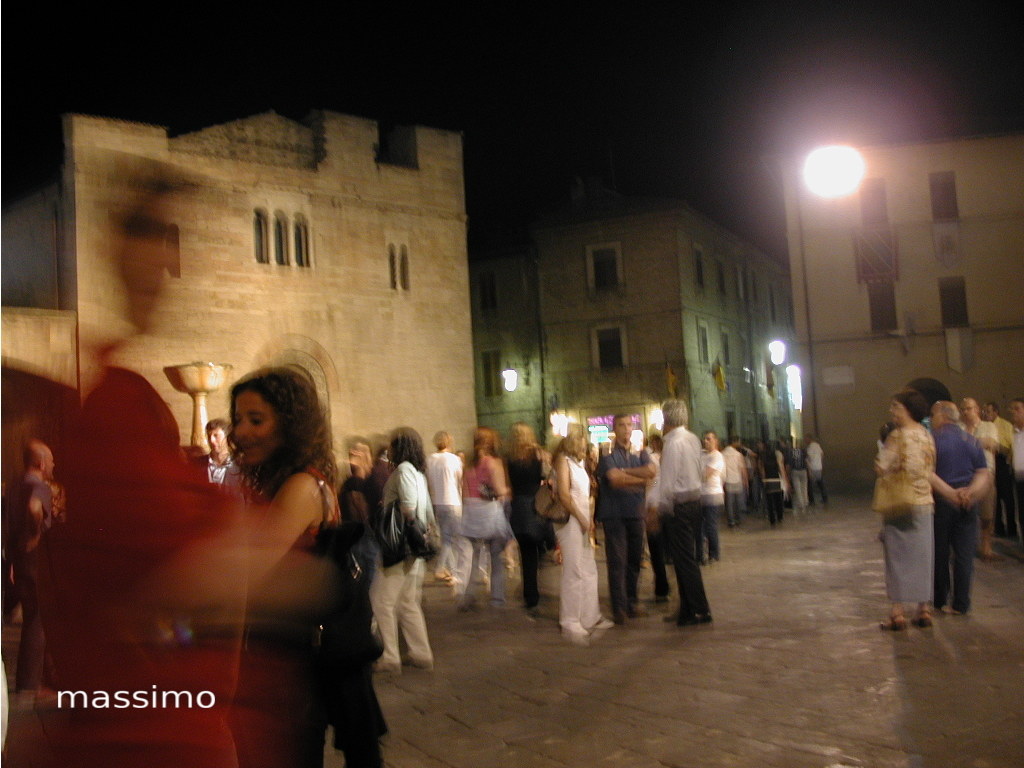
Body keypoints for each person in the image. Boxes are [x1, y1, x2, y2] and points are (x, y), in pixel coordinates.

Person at [230, 367, 385, 768]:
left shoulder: (301, 486)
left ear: (290, 424)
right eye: (238, 419)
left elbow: (246, 575)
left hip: (296, 664)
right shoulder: (280, 483)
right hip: (287, 658)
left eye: (256, 419)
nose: (240, 430)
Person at [370, 427, 435, 675]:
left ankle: (390, 656)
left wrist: (389, 509)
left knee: (382, 600)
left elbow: (409, 507)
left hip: (400, 546)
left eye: (392, 445)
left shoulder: (404, 470)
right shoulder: (418, 473)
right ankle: (421, 653)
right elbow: (427, 510)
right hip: (415, 545)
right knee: (408, 601)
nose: (389, 449)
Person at [874, 389, 936, 630]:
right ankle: (924, 609)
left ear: (908, 409)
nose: (892, 411)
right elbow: (931, 467)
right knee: (923, 556)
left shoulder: (897, 436)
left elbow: (881, 467)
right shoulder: (927, 436)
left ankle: (898, 612)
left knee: (897, 558)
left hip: (900, 503)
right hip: (924, 502)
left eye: (896, 407)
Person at [552, 427, 613, 644]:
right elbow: (564, 495)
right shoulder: (563, 461)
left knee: (589, 568)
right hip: (570, 521)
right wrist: (581, 517)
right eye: (582, 442)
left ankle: (590, 615)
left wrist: (588, 520)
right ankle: (570, 621)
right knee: (573, 571)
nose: (585, 446)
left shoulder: (579, 464)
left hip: (583, 521)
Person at [655, 400, 712, 626]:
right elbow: (698, 471)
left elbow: (667, 482)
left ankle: (699, 609)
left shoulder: (672, 443)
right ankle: (688, 610)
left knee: (684, 561)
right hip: (695, 503)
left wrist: (660, 509)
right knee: (686, 559)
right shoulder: (692, 439)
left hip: (679, 508)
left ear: (667, 418)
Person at [930, 401, 989, 616]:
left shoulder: (932, 441)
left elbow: (927, 472)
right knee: (964, 555)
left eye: (933, 414)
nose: (931, 419)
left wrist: (951, 494)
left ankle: (939, 599)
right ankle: (961, 603)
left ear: (942, 415)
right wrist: (970, 493)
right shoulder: (972, 441)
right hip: (968, 502)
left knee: (940, 552)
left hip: (942, 501)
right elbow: (983, 473)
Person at [595, 415, 655, 623]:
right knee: (618, 561)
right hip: (614, 514)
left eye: (630, 425)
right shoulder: (606, 453)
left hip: (636, 512)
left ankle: (632, 601)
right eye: (622, 425)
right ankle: (619, 606)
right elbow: (613, 479)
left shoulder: (640, 451)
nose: (627, 429)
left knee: (635, 560)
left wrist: (625, 472)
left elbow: (651, 471)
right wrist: (639, 481)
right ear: (614, 429)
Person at [10, 440, 56, 694]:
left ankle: (29, 681)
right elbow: (34, 508)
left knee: (31, 619)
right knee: (39, 621)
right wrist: (37, 532)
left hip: (19, 558)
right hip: (36, 558)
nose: (52, 464)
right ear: (40, 462)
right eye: (50, 460)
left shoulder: (16, 485)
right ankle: (30, 685)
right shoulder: (39, 487)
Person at [456, 427, 512, 610]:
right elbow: (499, 490)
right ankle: (497, 598)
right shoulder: (493, 463)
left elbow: (464, 492)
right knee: (496, 557)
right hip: (489, 514)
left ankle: (469, 595)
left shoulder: (469, 465)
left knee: (474, 558)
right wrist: (510, 492)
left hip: (472, 514)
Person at [506, 422, 551, 617]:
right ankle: (540, 564)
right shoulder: (538, 455)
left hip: (518, 507)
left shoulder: (508, 459)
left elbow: (508, 486)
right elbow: (548, 477)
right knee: (543, 542)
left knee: (526, 553)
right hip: (536, 505)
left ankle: (530, 596)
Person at [960, 398, 1000, 560]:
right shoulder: (960, 428)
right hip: (964, 473)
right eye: (962, 409)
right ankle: (966, 546)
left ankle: (986, 546)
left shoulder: (988, 426)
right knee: (964, 511)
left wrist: (968, 443)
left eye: (968, 408)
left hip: (985, 473)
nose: (965, 412)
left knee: (986, 512)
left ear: (976, 409)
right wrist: (978, 443)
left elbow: (992, 444)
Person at [426, 431, 465, 586]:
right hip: (453, 501)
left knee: (446, 538)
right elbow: (459, 481)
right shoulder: (454, 459)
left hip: (437, 502)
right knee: (455, 540)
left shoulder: (430, 459)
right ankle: (448, 570)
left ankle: (447, 569)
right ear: (449, 442)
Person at [982, 401, 1017, 541]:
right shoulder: (984, 426)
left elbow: (1011, 446)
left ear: (996, 412)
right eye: (984, 412)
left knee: (1007, 498)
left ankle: (1012, 528)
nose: (985, 414)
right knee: (993, 498)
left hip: (1002, 461)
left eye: (988, 411)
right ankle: (998, 528)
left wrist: (997, 446)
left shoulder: (1005, 425)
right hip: (990, 462)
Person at [644, 434, 670, 604]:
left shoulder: (651, 457)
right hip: (668, 503)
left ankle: (662, 587)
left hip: (655, 504)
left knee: (656, 549)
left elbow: (650, 481)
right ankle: (664, 586)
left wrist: (652, 485)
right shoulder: (668, 459)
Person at [699, 431, 725, 564]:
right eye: (705, 439)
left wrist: (695, 474)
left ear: (716, 441)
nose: (706, 441)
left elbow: (705, 475)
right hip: (700, 495)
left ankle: (714, 553)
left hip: (712, 494)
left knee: (710, 525)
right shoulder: (701, 454)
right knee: (701, 527)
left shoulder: (717, 456)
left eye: (709, 439)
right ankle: (701, 554)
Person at [721, 435, 749, 528]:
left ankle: (731, 521)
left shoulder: (723, 454)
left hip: (727, 480)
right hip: (737, 479)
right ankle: (738, 519)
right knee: (738, 501)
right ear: (735, 442)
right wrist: (745, 480)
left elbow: (721, 469)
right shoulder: (738, 455)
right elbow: (742, 469)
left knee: (729, 502)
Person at [761, 440, 788, 527]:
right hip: (776, 480)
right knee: (778, 499)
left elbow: (762, 470)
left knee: (770, 501)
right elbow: (781, 468)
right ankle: (780, 516)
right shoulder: (776, 457)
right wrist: (785, 479)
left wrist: (764, 479)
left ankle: (772, 519)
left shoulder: (764, 457)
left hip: (768, 480)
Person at [786, 436, 809, 516]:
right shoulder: (803, 451)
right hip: (803, 470)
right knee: (804, 486)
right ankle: (806, 501)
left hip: (795, 471)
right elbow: (806, 461)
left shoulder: (791, 452)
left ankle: (801, 503)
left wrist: (788, 473)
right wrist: (808, 470)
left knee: (797, 488)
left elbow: (789, 463)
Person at [805, 434, 827, 506]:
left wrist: (807, 463)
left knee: (810, 485)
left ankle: (811, 501)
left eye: (806, 439)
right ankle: (825, 498)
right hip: (819, 467)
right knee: (821, 484)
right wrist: (820, 463)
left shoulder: (810, 447)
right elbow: (822, 454)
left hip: (812, 468)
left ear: (809, 439)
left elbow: (809, 457)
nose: (805, 440)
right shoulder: (817, 445)